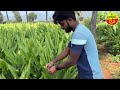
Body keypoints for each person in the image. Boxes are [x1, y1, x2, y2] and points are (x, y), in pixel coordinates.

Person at [46, 11, 103, 79]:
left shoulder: (79, 34)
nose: (61, 27)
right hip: (86, 74)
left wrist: (56, 68)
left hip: (91, 76)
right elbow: (67, 50)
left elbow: (72, 61)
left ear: (70, 20)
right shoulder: (79, 30)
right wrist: (52, 62)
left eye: (62, 24)